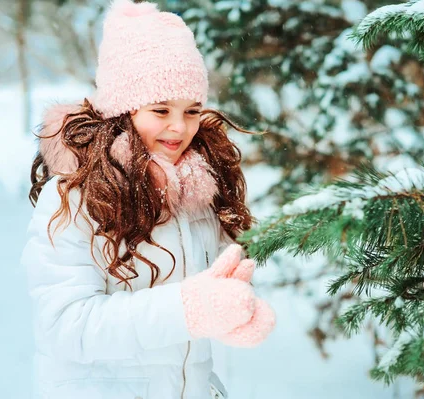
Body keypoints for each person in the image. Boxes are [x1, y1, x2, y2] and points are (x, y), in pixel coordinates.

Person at [20, 1, 276, 398]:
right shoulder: (74, 196)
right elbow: (66, 325)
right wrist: (189, 309)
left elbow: (198, 310)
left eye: (192, 110)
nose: (180, 127)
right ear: (123, 110)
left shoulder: (200, 190)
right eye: (161, 109)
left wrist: (232, 310)